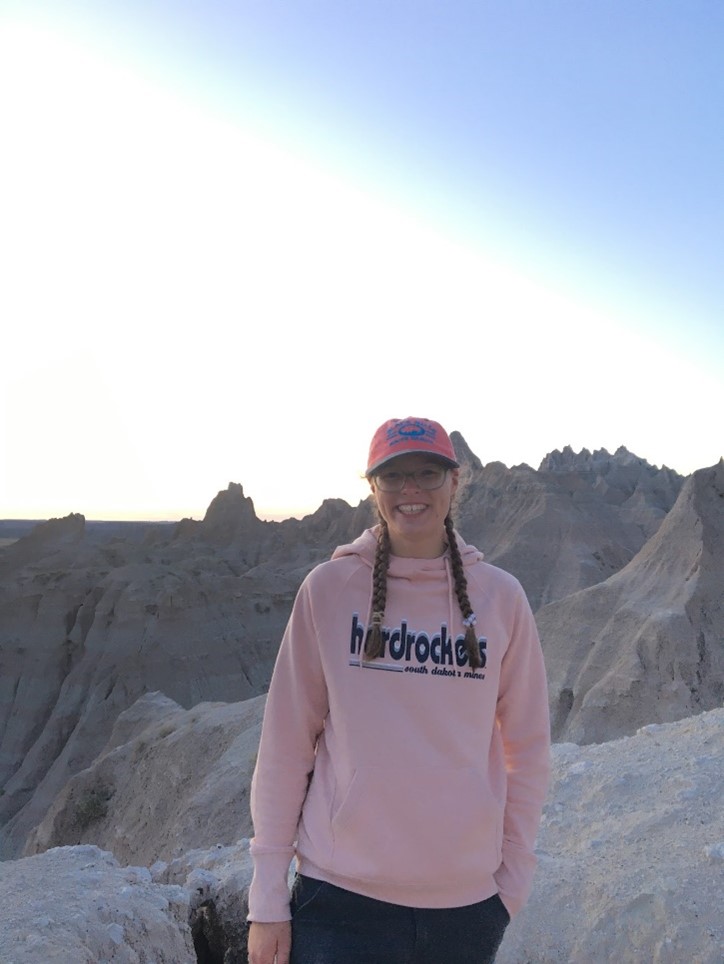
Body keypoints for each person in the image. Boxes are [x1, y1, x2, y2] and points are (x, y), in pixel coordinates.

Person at [247, 416, 550, 964]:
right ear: (373, 488)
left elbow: (526, 749)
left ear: (454, 483)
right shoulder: (329, 590)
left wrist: (513, 879)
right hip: (339, 902)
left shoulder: (501, 598)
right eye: (394, 476)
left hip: (468, 910)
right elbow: (286, 745)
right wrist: (267, 895)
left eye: (427, 474)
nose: (411, 490)